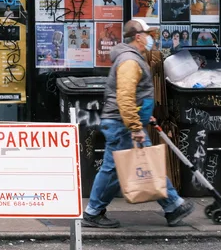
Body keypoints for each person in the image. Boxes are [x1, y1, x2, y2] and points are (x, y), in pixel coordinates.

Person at [82, 19, 194, 228]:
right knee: (114, 169)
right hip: (122, 124)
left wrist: (144, 113)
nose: (152, 39)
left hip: (124, 122)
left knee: (142, 165)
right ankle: (93, 211)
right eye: (148, 35)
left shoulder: (132, 58)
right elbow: (125, 96)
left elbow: (133, 94)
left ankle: (172, 206)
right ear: (138, 36)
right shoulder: (129, 61)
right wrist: (134, 126)